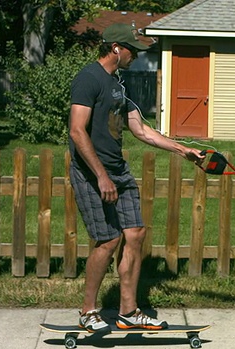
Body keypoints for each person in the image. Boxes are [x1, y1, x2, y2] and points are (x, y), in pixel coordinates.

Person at [68, 23, 205, 333]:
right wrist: (102, 176)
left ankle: (128, 311)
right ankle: (88, 311)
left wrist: (184, 150)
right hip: (92, 172)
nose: (137, 56)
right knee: (108, 239)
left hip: (118, 170)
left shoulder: (117, 84)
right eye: (134, 50)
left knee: (136, 234)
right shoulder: (88, 79)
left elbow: (141, 130)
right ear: (117, 48)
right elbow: (77, 131)